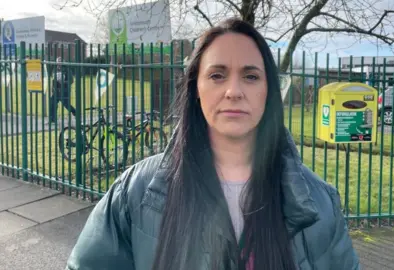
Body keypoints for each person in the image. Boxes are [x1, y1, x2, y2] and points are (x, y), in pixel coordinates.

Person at [66, 18, 360, 270]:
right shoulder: (135, 193)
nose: (234, 91)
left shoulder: (321, 204)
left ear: (269, 91)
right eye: (217, 75)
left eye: (251, 76)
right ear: (196, 87)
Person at [48, 56, 76, 124]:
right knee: (53, 103)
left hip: (64, 90)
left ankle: (75, 112)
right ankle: (52, 119)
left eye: (60, 61)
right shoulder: (54, 69)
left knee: (66, 105)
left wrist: (64, 82)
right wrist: (53, 88)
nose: (59, 63)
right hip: (56, 90)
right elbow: (53, 80)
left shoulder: (67, 70)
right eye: (58, 62)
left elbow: (71, 81)